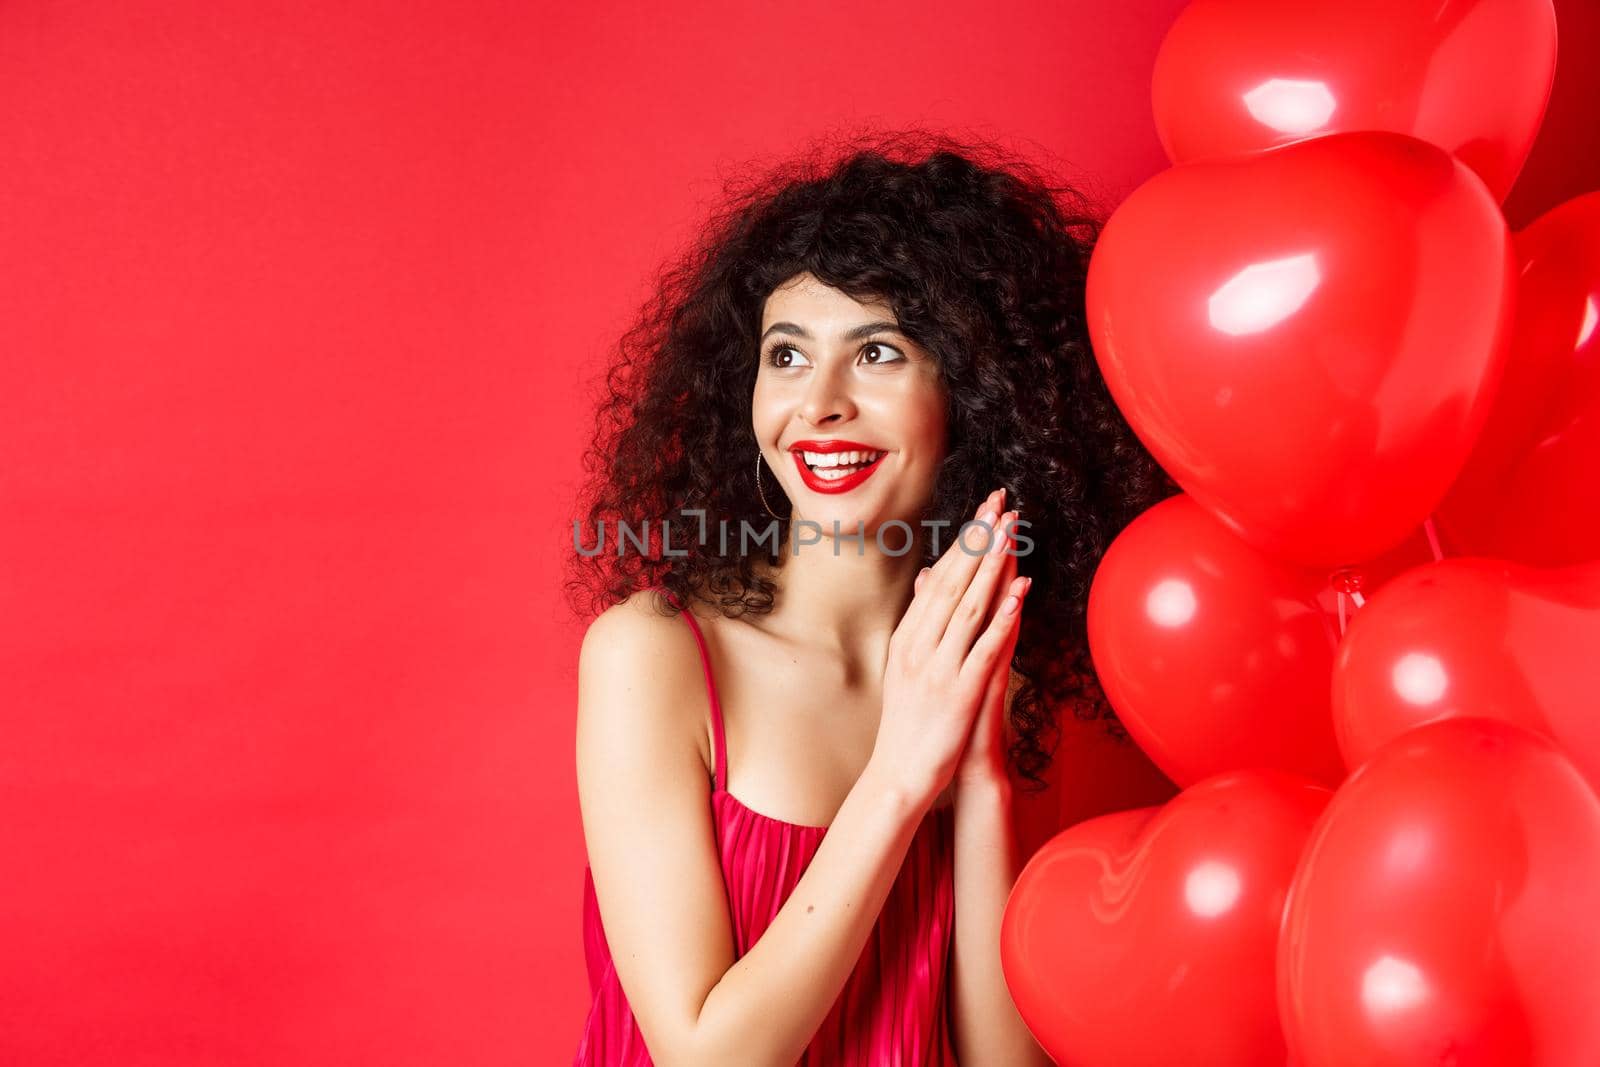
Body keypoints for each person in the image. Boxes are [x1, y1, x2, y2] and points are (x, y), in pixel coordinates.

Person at [566, 129, 1177, 1065]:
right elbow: (706, 1055)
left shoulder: (992, 678)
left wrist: (977, 777)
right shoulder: (654, 654)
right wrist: (901, 773)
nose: (819, 404)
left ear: (975, 394)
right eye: (787, 355)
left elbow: (1000, 1059)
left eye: (879, 352)